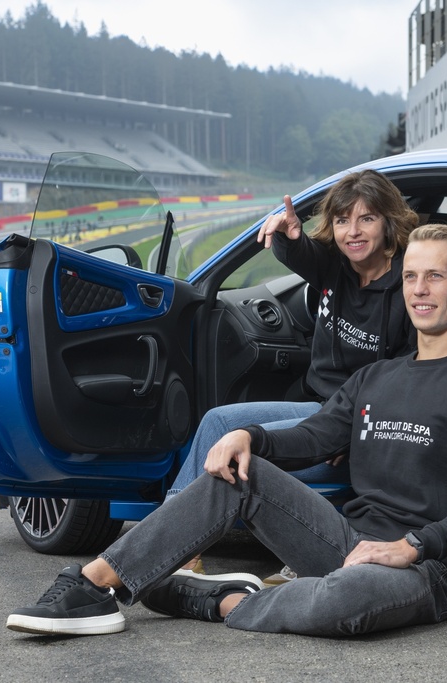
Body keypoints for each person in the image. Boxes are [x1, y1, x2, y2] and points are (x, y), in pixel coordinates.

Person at [6, 224, 447, 638]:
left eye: (435, 277)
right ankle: (92, 587)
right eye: (412, 276)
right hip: (343, 540)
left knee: (342, 601)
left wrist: (413, 545)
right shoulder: (377, 377)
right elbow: (315, 437)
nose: (420, 290)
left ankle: (214, 601)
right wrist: (250, 438)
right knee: (235, 471)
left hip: (422, 568)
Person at [165, 170, 419, 581]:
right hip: (318, 407)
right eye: (341, 221)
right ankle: (180, 549)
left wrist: (354, 427)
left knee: (253, 452)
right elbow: (299, 253)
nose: (352, 232)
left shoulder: (408, 286)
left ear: (389, 221)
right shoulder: (337, 268)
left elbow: (410, 375)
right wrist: (287, 234)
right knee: (217, 422)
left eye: (366, 219)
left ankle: (182, 550)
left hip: (359, 430)